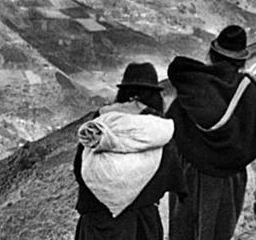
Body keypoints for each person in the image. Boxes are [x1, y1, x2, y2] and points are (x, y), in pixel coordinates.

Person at [167, 25, 256, 240]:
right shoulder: (249, 91)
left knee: (183, 230)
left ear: (212, 54)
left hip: (189, 173)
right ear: (242, 60)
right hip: (229, 177)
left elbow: (172, 124)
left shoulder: (193, 84)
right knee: (219, 231)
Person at [74, 63, 187, 240]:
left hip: (97, 224)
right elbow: (170, 175)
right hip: (141, 224)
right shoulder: (159, 129)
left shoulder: (100, 122)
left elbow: (79, 169)